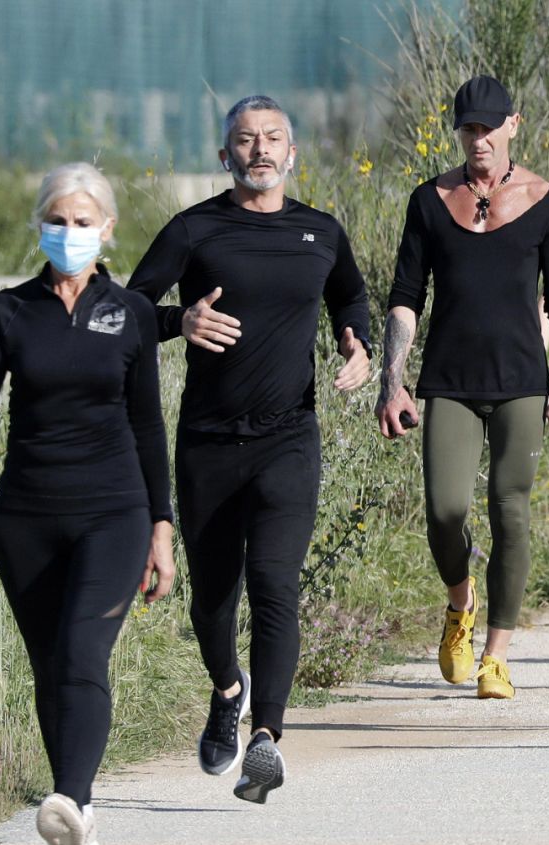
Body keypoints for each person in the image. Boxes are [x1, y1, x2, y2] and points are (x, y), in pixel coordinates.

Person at [0, 163, 176, 845]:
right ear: (40, 225)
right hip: (26, 518)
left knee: (80, 652)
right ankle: (80, 818)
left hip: (115, 510)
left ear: (107, 230)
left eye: (82, 221)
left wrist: (161, 524)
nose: (68, 233)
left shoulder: (127, 312)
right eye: (57, 220)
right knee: (50, 670)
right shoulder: (11, 312)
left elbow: (148, 426)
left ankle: (67, 798)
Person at [129, 95, 372, 803]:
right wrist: (182, 318)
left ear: (292, 153)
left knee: (275, 581)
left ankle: (266, 737)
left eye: (272, 139)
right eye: (245, 140)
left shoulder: (320, 231)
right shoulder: (194, 228)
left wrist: (353, 342)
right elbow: (125, 307)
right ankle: (227, 688)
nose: (260, 149)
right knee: (212, 598)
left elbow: (349, 297)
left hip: (288, 436)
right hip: (207, 441)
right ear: (224, 156)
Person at [378, 76, 549, 700]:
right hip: (449, 380)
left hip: (522, 379)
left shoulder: (548, 203)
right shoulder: (429, 201)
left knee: (510, 509)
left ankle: (496, 654)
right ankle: (459, 603)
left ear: (513, 125)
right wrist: (393, 381)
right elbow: (406, 299)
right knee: (444, 510)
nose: (479, 138)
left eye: (490, 127)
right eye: (469, 128)